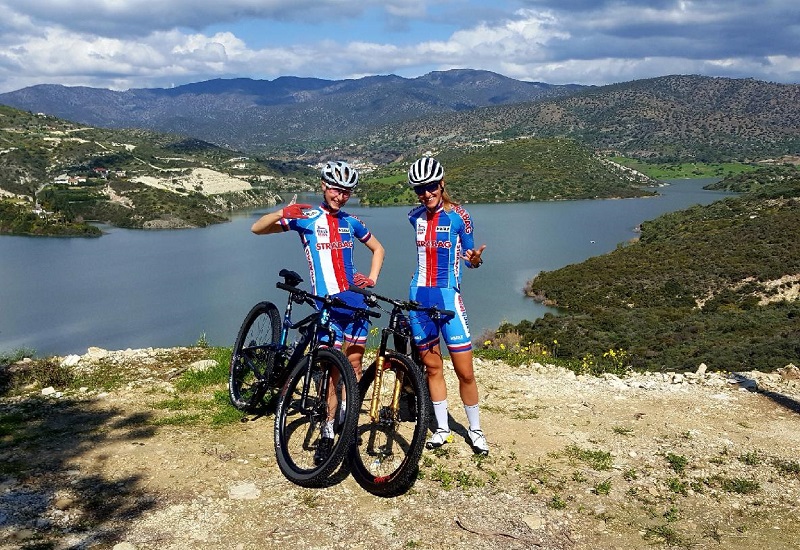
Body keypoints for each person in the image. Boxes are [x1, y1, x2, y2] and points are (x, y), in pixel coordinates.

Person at [251, 160, 385, 462]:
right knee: (330, 371)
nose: (340, 196)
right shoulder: (308, 217)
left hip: (355, 303)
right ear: (324, 186)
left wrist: (372, 278)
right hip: (327, 305)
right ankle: (327, 430)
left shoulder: (352, 222)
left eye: (346, 192)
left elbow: (379, 249)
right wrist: (283, 212)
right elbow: (257, 229)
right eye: (336, 190)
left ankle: (346, 423)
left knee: (354, 367)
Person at [405, 156, 489, 455]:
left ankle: (475, 430)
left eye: (431, 187)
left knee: (465, 371)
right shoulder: (414, 217)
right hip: (419, 299)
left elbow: (471, 257)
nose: (426, 193)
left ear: (441, 184)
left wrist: (475, 260)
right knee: (432, 368)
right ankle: (442, 429)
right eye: (419, 189)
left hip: (448, 299)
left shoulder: (459, 217)